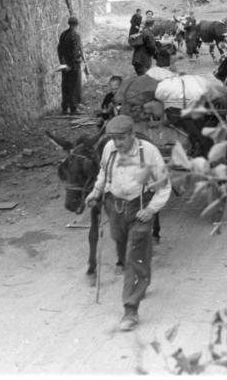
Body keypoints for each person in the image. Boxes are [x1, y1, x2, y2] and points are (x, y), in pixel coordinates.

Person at [84, 115, 171, 332]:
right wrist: (95, 193)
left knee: (134, 256)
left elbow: (164, 185)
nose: (118, 143)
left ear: (132, 134)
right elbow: (104, 172)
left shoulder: (148, 152)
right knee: (121, 244)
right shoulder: (109, 149)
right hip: (115, 206)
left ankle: (130, 310)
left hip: (140, 207)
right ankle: (143, 277)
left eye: (121, 138)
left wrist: (151, 209)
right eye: (113, 138)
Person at [57, 16, 88, 115]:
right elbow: (75, 52)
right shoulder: (75, 35)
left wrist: (63, 63)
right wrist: (71, 65)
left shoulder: (63, 34)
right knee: (74, 87)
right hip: (73, 65)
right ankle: (74, 108)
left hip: (65, 66)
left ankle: (65, 108)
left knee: (65, 86)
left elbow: (59, 50)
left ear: (69, 24)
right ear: (76, 25)